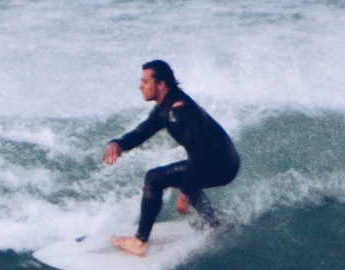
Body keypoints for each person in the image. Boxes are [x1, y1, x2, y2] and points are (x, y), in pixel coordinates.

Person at [102, 60, 241, 257]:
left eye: (145, 81)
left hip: (221, 166)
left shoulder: (179, 111)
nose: (140, 86)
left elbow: (198, 156)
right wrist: (119, 143)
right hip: (219, 161)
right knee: (182, 175)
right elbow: (144, 130)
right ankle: (213, 223)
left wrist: (184, 193)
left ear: (160, 84)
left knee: (155, 178)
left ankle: (139, 242)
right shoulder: (166, 106)